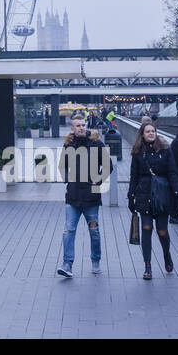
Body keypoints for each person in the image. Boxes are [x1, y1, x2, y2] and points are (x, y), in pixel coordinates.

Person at [57, 113, 109, 278]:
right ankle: (67, 264)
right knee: (68, 230)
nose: (81, 127)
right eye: (77, 125)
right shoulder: (69, 145)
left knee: (94, 231)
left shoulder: (96, 144)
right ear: (72, 128)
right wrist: (68, 181)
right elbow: (62, 166)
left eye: (83, 125)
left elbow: (108, 166)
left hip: (91, 196)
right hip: (72, 197)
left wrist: (98, 181)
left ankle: (95, 260)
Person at [128, 122, 176, 280]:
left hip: (162, 193)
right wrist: (131, 195)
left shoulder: (165, 149)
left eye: (153, 131)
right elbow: (133, 175)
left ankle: (166, 255)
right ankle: (147, 266)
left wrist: (176, 191)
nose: (151, 133)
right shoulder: (137, 152)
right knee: (146, 228)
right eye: (148, 131)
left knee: (162, 231)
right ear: (142, 134)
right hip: (144, 193)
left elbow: (172, 171)